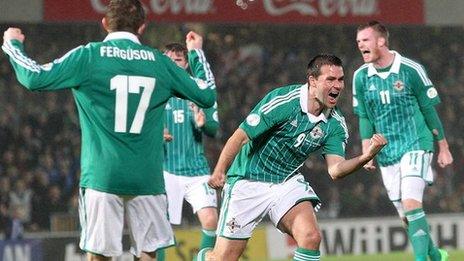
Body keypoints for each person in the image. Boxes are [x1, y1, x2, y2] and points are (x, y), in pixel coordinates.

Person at [2, 0, 216, 260]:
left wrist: (12, 44)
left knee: (99, 255)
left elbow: (34, 77)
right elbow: (206, 95)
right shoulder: (160, 63)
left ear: (104, 24)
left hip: (102, 176)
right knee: (148, 255)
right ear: (142, 27)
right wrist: (195, 53)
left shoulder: (88, 55)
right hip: (147, 177)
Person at [197, 54, 387, 261]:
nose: (338, 85)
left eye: (340, 79)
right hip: (247, 180)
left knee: (311, 237)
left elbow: (335, 170)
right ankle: (206, 257)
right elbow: (240, 137)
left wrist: (365, 156)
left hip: (285, 182)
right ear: (313, 81)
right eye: (330, 80)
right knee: (224, 258)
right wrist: (219, 171)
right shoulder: (284, 101)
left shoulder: (336, 124)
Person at [353, 21, 453, 261]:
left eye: (365, 40)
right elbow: (365, 116)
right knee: (406, 215)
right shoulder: (360, 77)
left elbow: (429, 110)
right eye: (358, 42)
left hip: (416, 144)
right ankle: (436, 256)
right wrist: (367, 150)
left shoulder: (410, 70)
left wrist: (443, 147)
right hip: (387, 153)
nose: (360, 45)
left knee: (411, 203)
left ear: (381, 41)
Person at [156, 43, 219, 260]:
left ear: (186, 65)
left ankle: (202, 257)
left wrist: (203, 124)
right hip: (166, 169)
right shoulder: (155, 90)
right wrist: (155, 132)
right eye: (169, 60)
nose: (174, 64)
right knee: (161, 228)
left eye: (179, 60)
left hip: (197, 170)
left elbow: (214, 129)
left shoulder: (197, 90)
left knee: (211, 220)